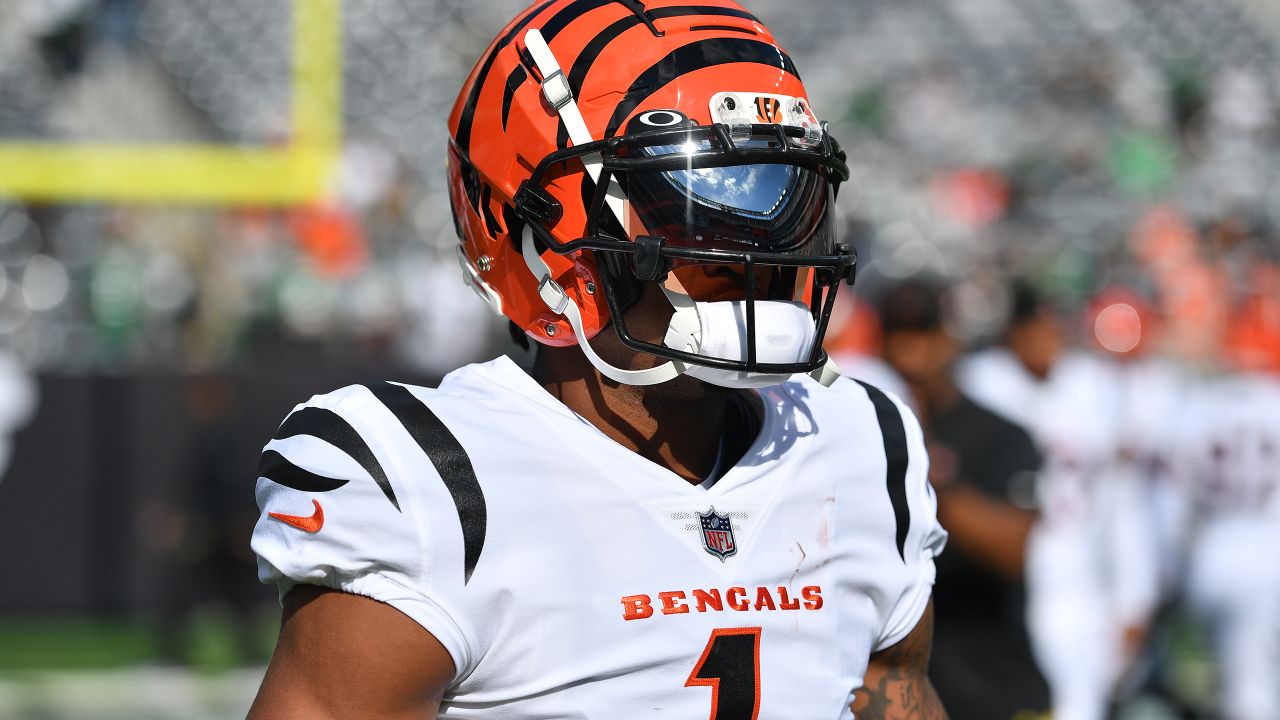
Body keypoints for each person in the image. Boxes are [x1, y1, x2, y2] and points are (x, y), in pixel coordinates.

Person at [247, 2, 948, 718]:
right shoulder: (437, 486)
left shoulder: (861, 444)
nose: (759, 254)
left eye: (786, 192)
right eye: (699, 206)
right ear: (539, 237)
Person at [959, 283, 1159, 720]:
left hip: (1077, 590)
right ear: (1013, 331)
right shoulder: (980, 382)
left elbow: (1121, 499)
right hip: (999, 592)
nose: (1044, 339)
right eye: (1033, 327)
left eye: (1051, 327)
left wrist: (1134, 595)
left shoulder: (1097, 388)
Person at [876, 279, 1049, 720]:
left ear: (951, 338)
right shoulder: (867, 437)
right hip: (903, 693)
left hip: (998, 686)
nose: (912, 352)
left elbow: (1012, 551)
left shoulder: (1003, 435)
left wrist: (931, 474)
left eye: (926, 335)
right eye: (899, 336)